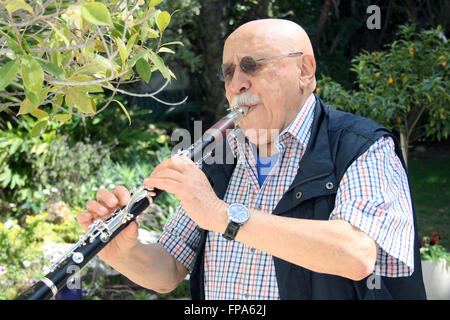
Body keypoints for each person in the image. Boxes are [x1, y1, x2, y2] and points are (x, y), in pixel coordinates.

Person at [77, 19, 426, 299]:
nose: (236, 84)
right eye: (228, 72)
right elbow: (168, 271)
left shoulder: (362, 146)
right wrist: (121, 251)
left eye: (251, 66)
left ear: (305, 70)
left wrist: (222, 215)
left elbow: (356, 255)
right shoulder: (217, 155)